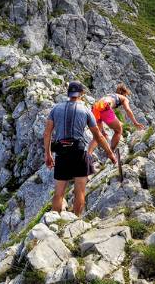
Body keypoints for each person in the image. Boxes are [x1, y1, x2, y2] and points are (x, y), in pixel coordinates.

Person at [44, 81, 116, 215]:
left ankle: (54, 219)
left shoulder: (55, 109)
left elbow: (47, 133)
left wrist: (48, 154)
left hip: (61, 152)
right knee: (80, 192)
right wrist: (110, 154)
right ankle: (75, 220)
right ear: (81, 94)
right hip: (79, 152)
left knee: (59, 193)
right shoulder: (86, 111)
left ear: (68, 93)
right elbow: (98, 136)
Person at [87, 83, 145, 157]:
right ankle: (111, 152)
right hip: (105, 107)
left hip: (95, 107)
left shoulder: (110, 95)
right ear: (124, 93)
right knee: (119, 130)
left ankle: (88, 155)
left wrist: (103, 131)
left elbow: (101, 110)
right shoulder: (124, 98)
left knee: (97, 136)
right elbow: (128, 110)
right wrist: (135, 122)